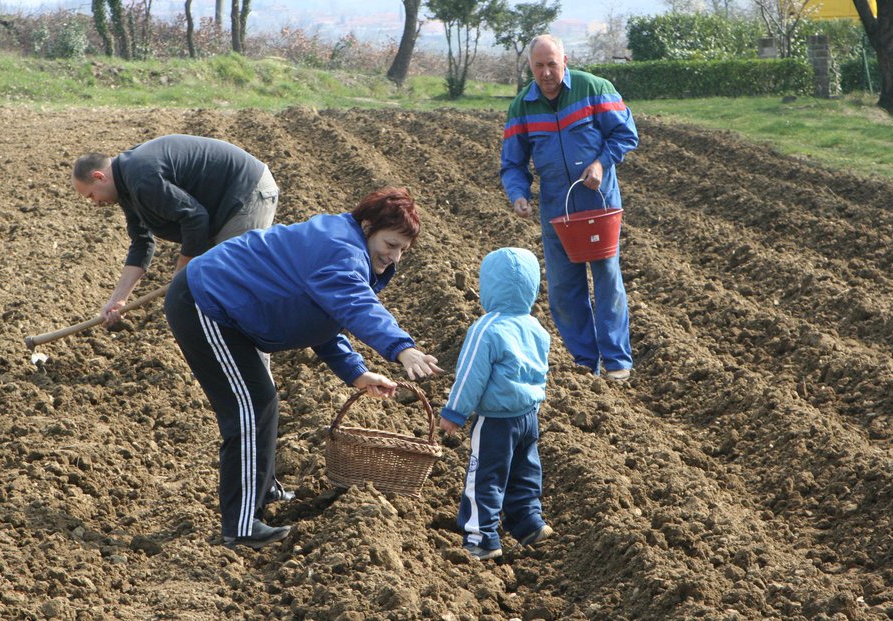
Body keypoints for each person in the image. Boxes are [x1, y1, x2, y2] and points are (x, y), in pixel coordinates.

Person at [164, 186, 443, 549]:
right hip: (206, 302)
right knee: (250, 408)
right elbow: (357, 306)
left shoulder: (348, 249)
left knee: (261, 401)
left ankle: (261, 492)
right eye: (391, 245)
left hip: (231, 311)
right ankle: (242, 524)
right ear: (368, 224)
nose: (395, 257)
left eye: (403, 250)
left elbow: (322, 320)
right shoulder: (339, 248)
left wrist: (357, 373)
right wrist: (401, 348)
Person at [500, 34, 639, 381]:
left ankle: (617, 361)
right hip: (555, 207)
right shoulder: (522, 107)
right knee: (564, 287)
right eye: (539, 66)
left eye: (552, 64)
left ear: (565, 61)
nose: (546, 72)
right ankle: (584, 360)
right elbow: (512, 163)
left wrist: (601, 163)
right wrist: (518, 194)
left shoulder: (594, 89)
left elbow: (625, 134)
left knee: (607, 279)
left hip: (598, 202)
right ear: (530, 67)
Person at [71, 134, 279, 327]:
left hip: (246, 193)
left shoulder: (142, 177)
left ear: (99, 177)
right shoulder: (126, 184)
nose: (95, 203)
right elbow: (142, 242)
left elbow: (195, 218)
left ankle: (250, 363)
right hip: (224, 205)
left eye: (91, 196)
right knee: (213, 292)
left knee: (231, 292)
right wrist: (118, 299)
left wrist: (180, 274)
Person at [438, 247, 552, 560]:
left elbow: (470, 377)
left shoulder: (486, 329)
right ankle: (529, 522)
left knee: (485, 476)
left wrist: (454, 413)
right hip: (529, 418)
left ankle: (481, 538)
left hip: (496, 421)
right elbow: (538, 372)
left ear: (488, 286)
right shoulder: (536, 328)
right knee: (524, 471)